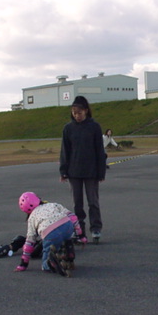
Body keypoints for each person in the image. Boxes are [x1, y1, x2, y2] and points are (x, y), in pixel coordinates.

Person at [60, 96, 107, 244]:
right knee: (77, 204)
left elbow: (99, 150)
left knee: (93, 202)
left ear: (86, 111)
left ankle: (96, 228)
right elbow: (65, 151)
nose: (77, 116)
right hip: (74, 172)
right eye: (74, 113)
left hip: (91, 172)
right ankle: (79, 230)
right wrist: (63, 171)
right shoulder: (68, 128)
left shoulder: (94, 127)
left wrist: (101, 171)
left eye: (79, 113)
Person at [14, 192, 80, 277]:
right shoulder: (52, 205)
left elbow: (29, 242)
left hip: (50, 233)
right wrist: (79, 233)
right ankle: (69, 253)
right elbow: (72, 216)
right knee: (66, 237)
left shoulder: (32, 218)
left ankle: (51, 261)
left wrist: (24, 263)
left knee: (45, 265)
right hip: (67, 226)